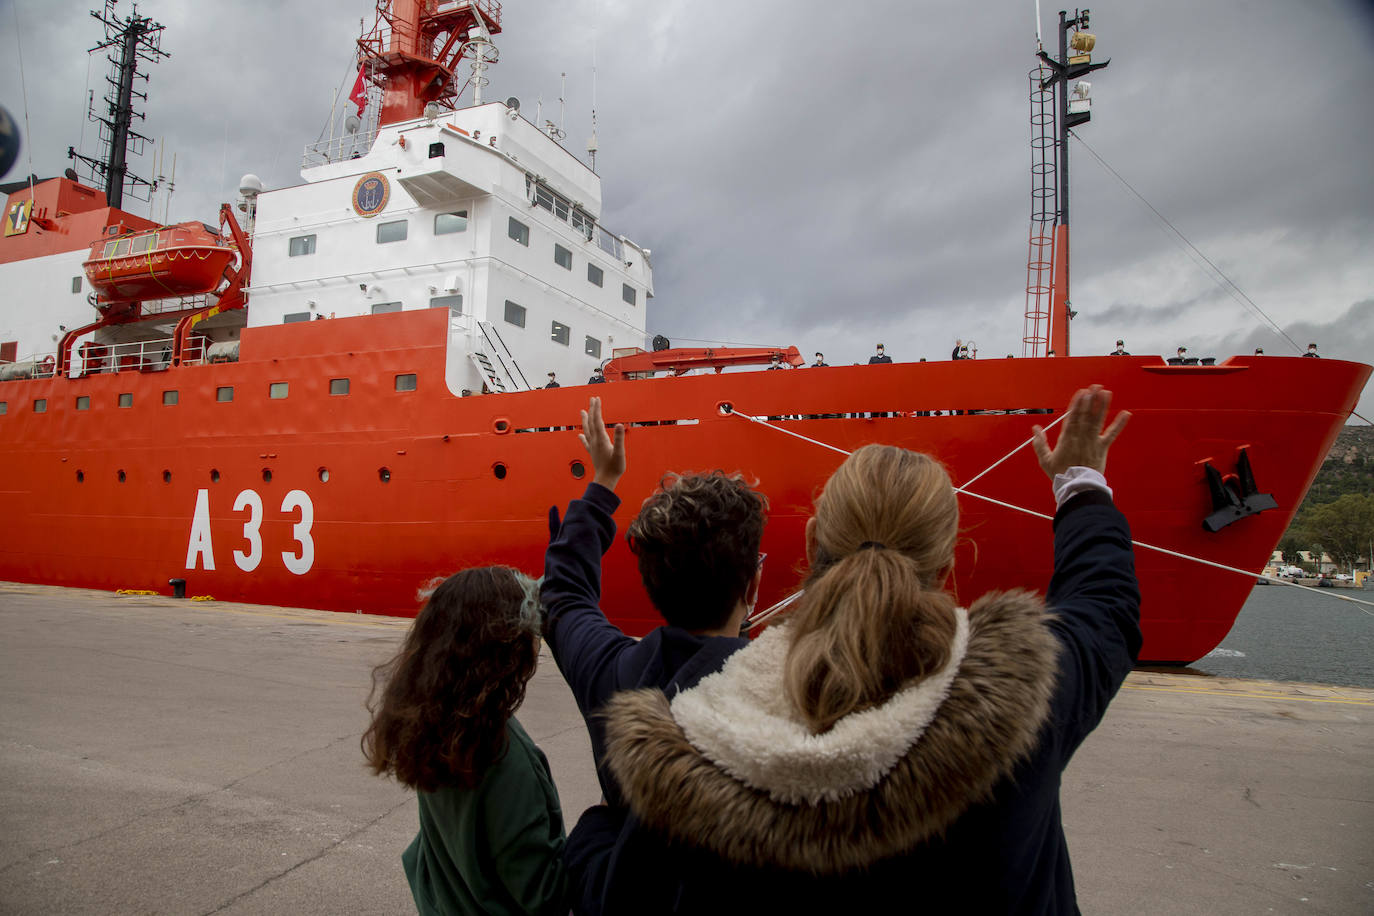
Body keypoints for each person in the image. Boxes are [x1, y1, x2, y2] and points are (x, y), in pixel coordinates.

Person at [595, 386, 1139, 913]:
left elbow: (630, 894)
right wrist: (1080, 485)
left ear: (811, 543)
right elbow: (1105, 608)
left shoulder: (694, 734)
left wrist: (593, 838)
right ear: (947, 567)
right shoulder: (1023, 696)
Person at [541, 397, 768, 915]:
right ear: (752, 585)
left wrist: (603, 484)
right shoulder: (794, 702)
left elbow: (563, 596)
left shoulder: (611, 674)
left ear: (653, 583)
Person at [362, 567, 566, 916]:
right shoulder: (503, 756)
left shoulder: (440, 724)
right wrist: (601, 825)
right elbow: (546, 896)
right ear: (508, 647)